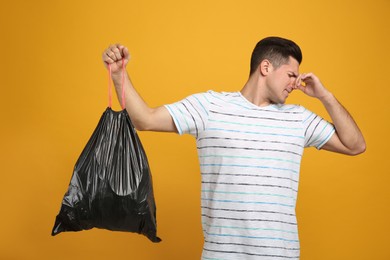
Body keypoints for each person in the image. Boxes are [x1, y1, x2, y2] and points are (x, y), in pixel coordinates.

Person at [102, 36, 366, 260]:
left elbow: (355, 145)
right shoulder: (210, 107)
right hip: (222, 254)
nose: (296, 83)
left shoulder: (299, 118)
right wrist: (118, 74)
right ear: (265, 67)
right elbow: (145, 119)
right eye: (291, 74)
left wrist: (325, 96)